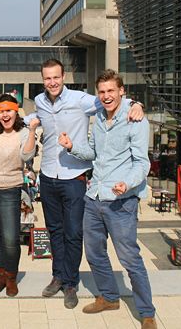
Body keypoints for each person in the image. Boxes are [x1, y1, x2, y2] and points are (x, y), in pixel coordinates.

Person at [26, 58, 144, 309]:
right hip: (48, 175)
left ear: (63, 77)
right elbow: (31, 117)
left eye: (56, 77)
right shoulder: (39, 102)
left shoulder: (82, 100)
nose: (52, 82)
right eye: (47, 78)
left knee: (73, 233)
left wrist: (136, 104)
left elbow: (110, 101)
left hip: (75, 177)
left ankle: (71, 283)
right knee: (54, 231)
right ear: (43, 80)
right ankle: (58, 276)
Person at [58, 69, 156, 329]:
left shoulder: (135, 118)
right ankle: (109, 297)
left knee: (129, 259)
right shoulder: (99, 117)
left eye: (111, 91)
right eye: (102, 92)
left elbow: (142, 163)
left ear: (122, 91)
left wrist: (128, 183)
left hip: (122, 200)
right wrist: (71, 147)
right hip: (95, 197)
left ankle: (146, 313)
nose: (106, 96)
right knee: (94, 253)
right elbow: (93, 153)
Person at [0, 94, 38, 297]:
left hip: (10, 190)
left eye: (9, 110)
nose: (5, 115)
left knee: (10, 238)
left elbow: (26, 156)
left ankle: (12, 277)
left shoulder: (22, 131)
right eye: (1, 111)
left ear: (16, 111)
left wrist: (31, 131)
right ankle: (0, 274)